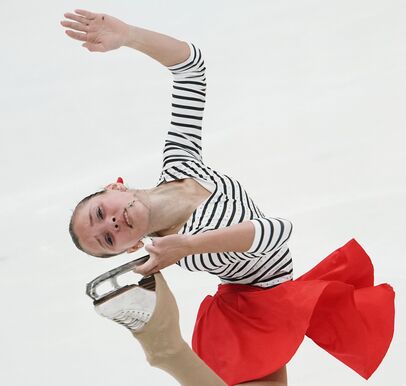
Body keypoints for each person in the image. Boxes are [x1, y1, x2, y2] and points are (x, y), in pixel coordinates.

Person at [61, 9, 395, 385]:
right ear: (132, 246)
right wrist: (186, 246)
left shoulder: (179, 163)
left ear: (115, 188)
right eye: (108, 237)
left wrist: (130, 36)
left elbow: (191, 69)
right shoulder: (187, 248)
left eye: (101, 213)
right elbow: (275, 231)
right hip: (251, 310)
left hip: (264, 298)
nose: (112, 222)